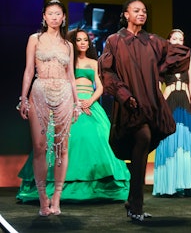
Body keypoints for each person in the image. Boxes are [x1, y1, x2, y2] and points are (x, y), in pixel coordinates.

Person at [98, 0, 191, 222]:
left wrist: (154, 74)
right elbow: (108, 73)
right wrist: (124, 95)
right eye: (136, 11)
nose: (142, 14)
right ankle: (136, 204)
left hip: (149, 101)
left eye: (144, 11)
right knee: (143, 138)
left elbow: (176, 56)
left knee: (142, 147)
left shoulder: (153, 41)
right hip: (130, 103)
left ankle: (134, 201)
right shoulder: (114, 40)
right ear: (126, 15)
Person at [17, 29, 131, 203]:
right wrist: (73, 102)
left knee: (99, 136)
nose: (83, 43)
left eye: (86, 40)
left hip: (90, 103)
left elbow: (99, 87)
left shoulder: (94, 62)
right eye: (79, 40)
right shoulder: (66, 59)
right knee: (57, 142)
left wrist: (89, 101)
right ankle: (53, 187)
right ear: (74, 42)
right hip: (68, 101)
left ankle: (101, 184)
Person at [16, 0, 80, 216]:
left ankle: (57, 198)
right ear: (44, 16)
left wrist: (77, 102)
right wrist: (23, 98)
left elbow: (71, 76)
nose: (54, 17)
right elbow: (28, 71)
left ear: (63, 18)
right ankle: (43, 198)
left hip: (64, 93)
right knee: (40, 145)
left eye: (58, 14)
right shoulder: (34, 39)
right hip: (40, 91)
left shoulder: (68, 45)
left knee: (61, 148)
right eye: (50, 13)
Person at [152, 29, 191, 197]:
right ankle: (169, 184)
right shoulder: (163, 60)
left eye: (181, 38)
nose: (178, 41)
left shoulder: (190, 60)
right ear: (169, 40)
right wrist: (159, 104)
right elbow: (157, 84)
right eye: (175, 38)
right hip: (170, 101)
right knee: (170, 140)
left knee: (186, 142)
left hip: (185, 102)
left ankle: (186, 183)